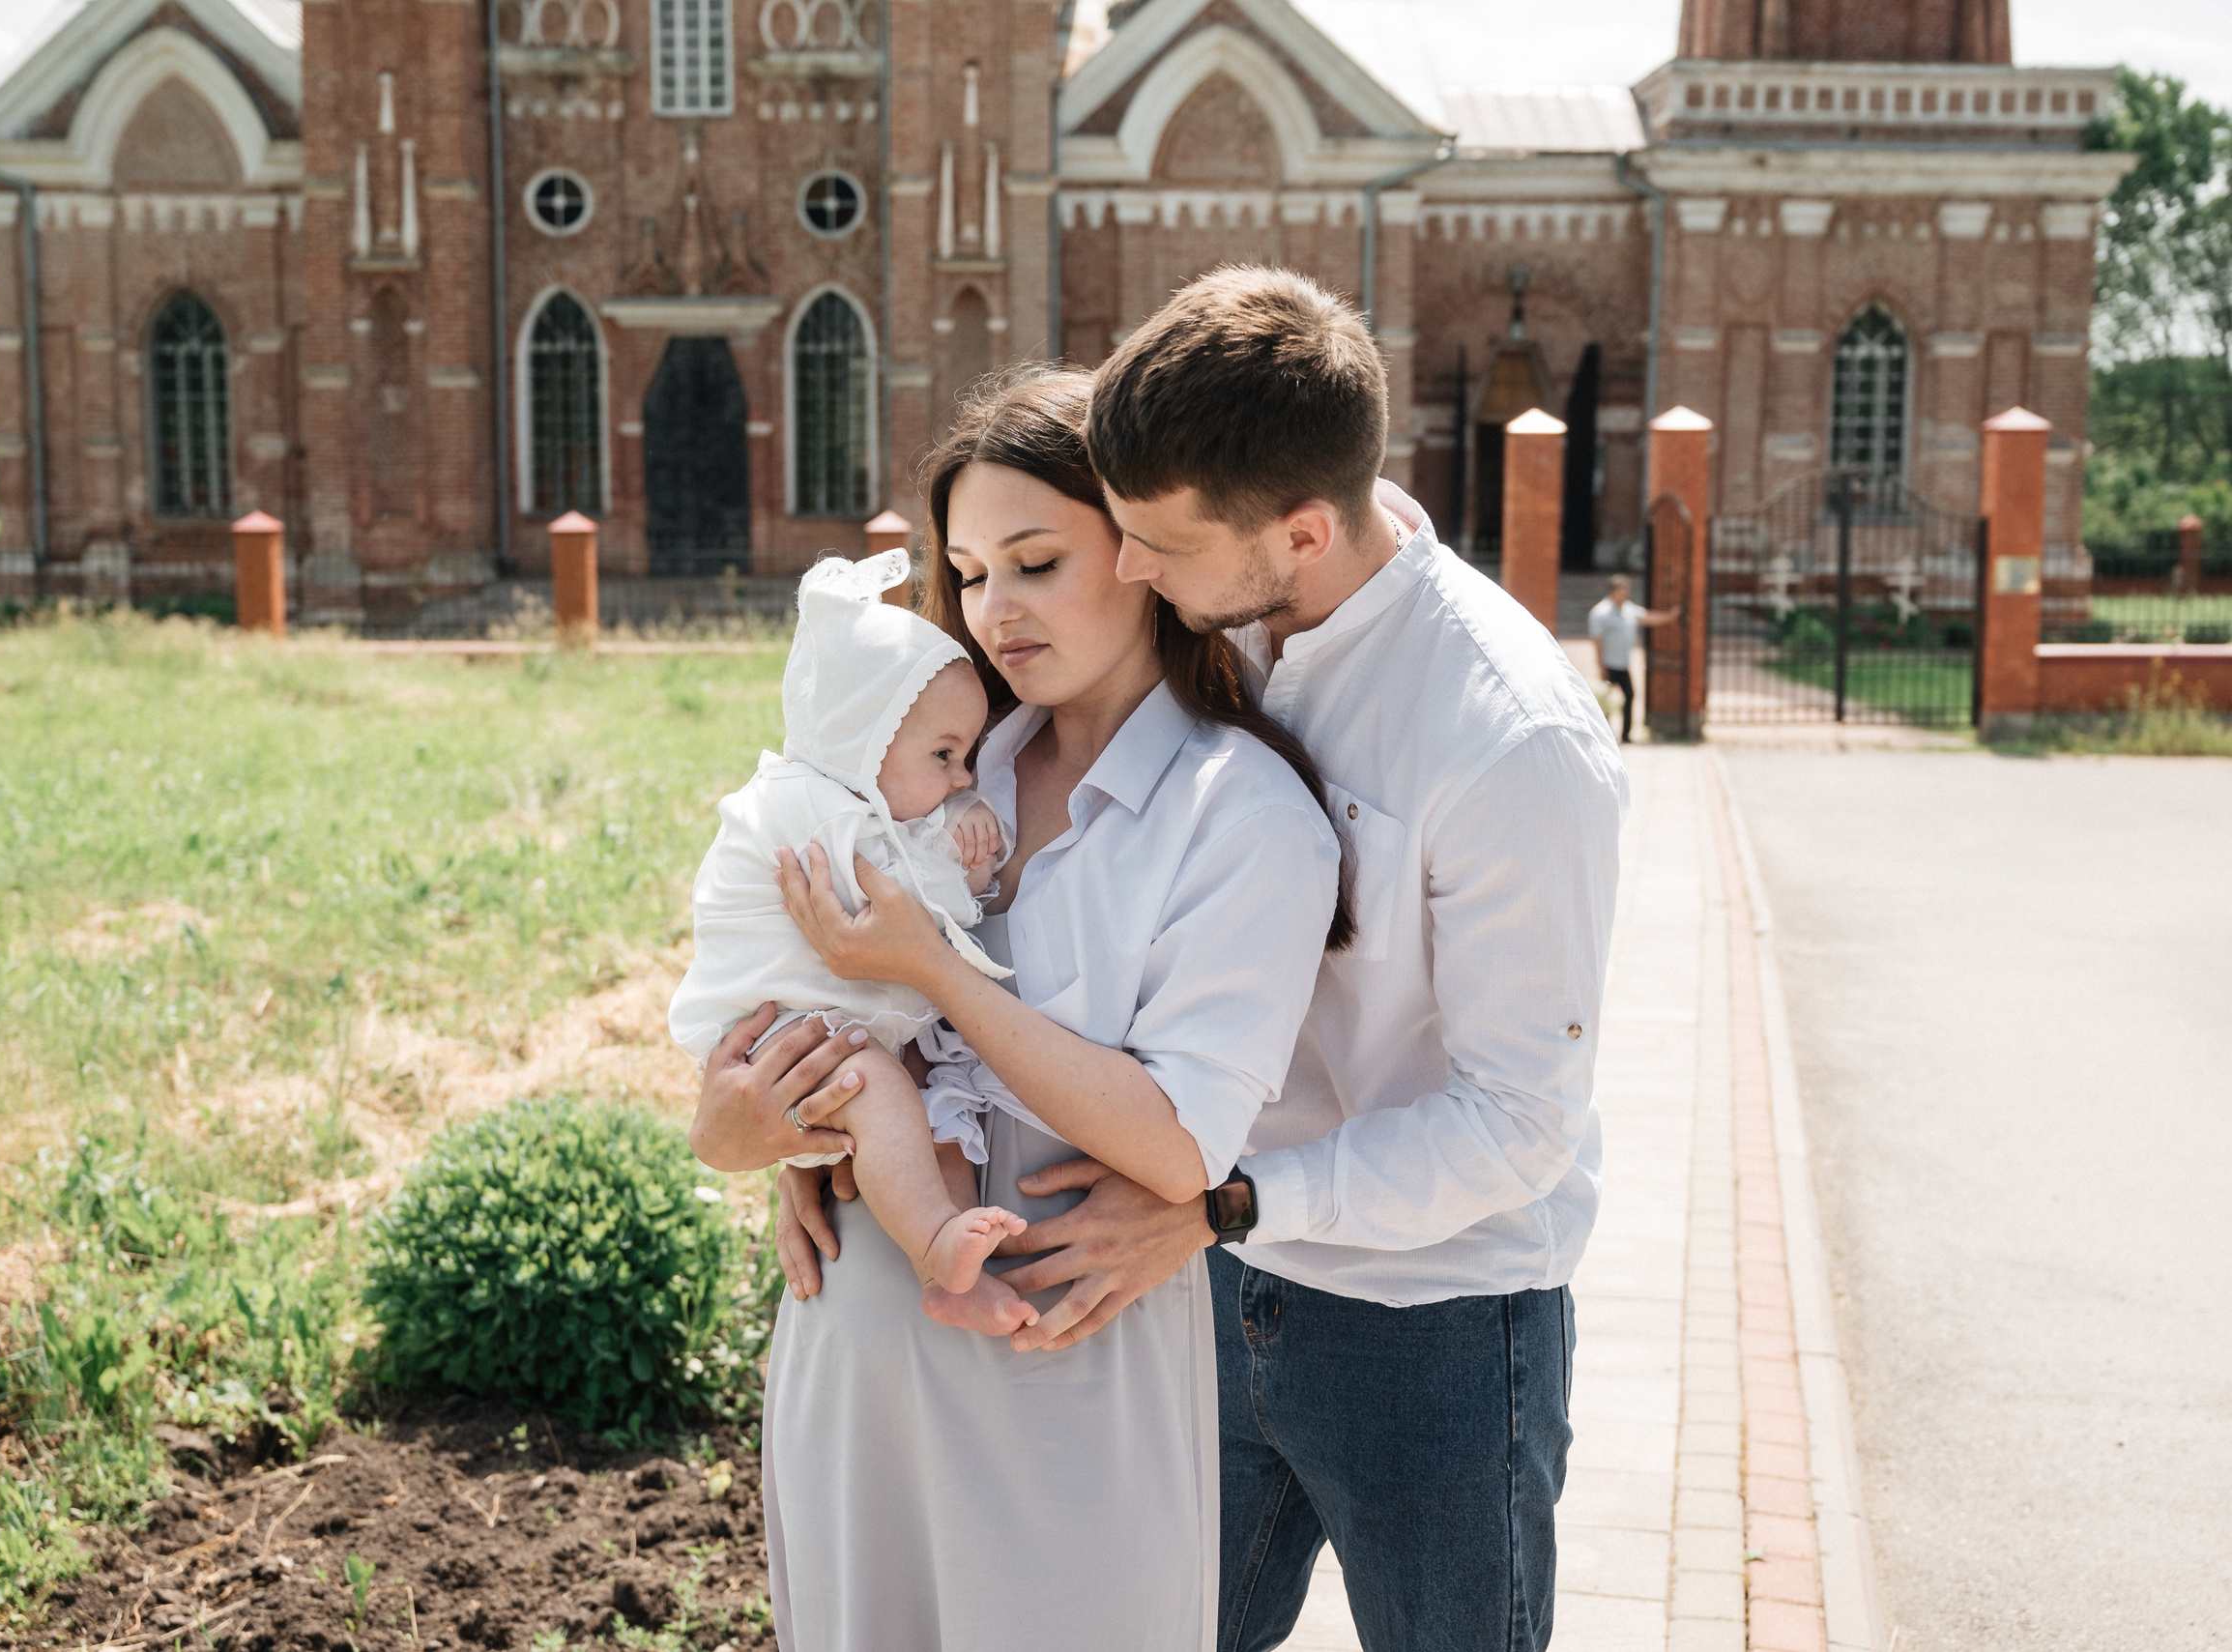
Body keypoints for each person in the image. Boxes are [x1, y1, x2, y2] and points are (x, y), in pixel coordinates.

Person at [687, 367, 1348, 1652]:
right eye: (970, 572)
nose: (995, 609)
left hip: (1063, 1370)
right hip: (857, 1352)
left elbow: (1176, 1146)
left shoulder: (1243, 814)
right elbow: (770, 1039)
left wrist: (938, 972)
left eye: (1037, 562)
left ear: (1143, 548)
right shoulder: (926, 764)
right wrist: (753, 1132)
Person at [1070, 264, 1629, 1651]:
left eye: (1158, 542)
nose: (1127, 570)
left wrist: (1231, 1205)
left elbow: (1519, 1121)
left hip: (1436, 1332)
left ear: (1304, 531)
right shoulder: (1222, 620)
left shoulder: (1511, 738)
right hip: (1210, 1283)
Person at [666, 548, 1034, 1336]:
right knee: (885, 1090)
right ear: (864, 740)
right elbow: (904, 906)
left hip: (826, 1026)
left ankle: (953, 1256)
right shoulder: (816, 809)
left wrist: (953, 825)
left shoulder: (848, 801)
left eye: (967, 758)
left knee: (934, 1099)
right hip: (787, 1041)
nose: (962, 778)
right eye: (944, 756)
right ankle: (935, 1249)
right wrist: (968, 860)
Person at [1586, 572, 1680, 743]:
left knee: (1629, 696)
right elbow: (1596, 640)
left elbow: (1647, 618)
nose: (1625, 594)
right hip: (1608, 663)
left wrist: (1670, 616)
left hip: (1623, 663)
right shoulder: (1601, 612)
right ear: (1613, 591)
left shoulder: (1629, 609)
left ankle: (1625, 735)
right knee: (1605, 701)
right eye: (1622, 590)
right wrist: (1600, 664)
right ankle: (1604, 736)